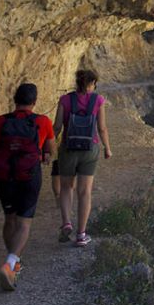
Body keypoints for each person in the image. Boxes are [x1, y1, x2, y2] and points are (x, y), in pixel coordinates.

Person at [0, 82, 55, 291]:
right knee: (24, 223)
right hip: (29, 176)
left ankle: (12, 262)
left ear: (15, 99)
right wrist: (44, 154)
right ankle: (10, 263)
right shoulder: (43, 121)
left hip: (5, 177)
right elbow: (50, 151)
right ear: (34, 101)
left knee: (10, 218)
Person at [53, 68, 112, 247]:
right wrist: (107, 148)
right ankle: (81, 235)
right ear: (92, 83)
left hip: (68, 149)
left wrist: (47, 148)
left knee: (65, 187)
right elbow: (102, 128)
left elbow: (56, 127)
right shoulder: (98, 100)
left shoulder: (64, 100)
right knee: (85, 191)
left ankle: (66, 223)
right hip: (89, 149)